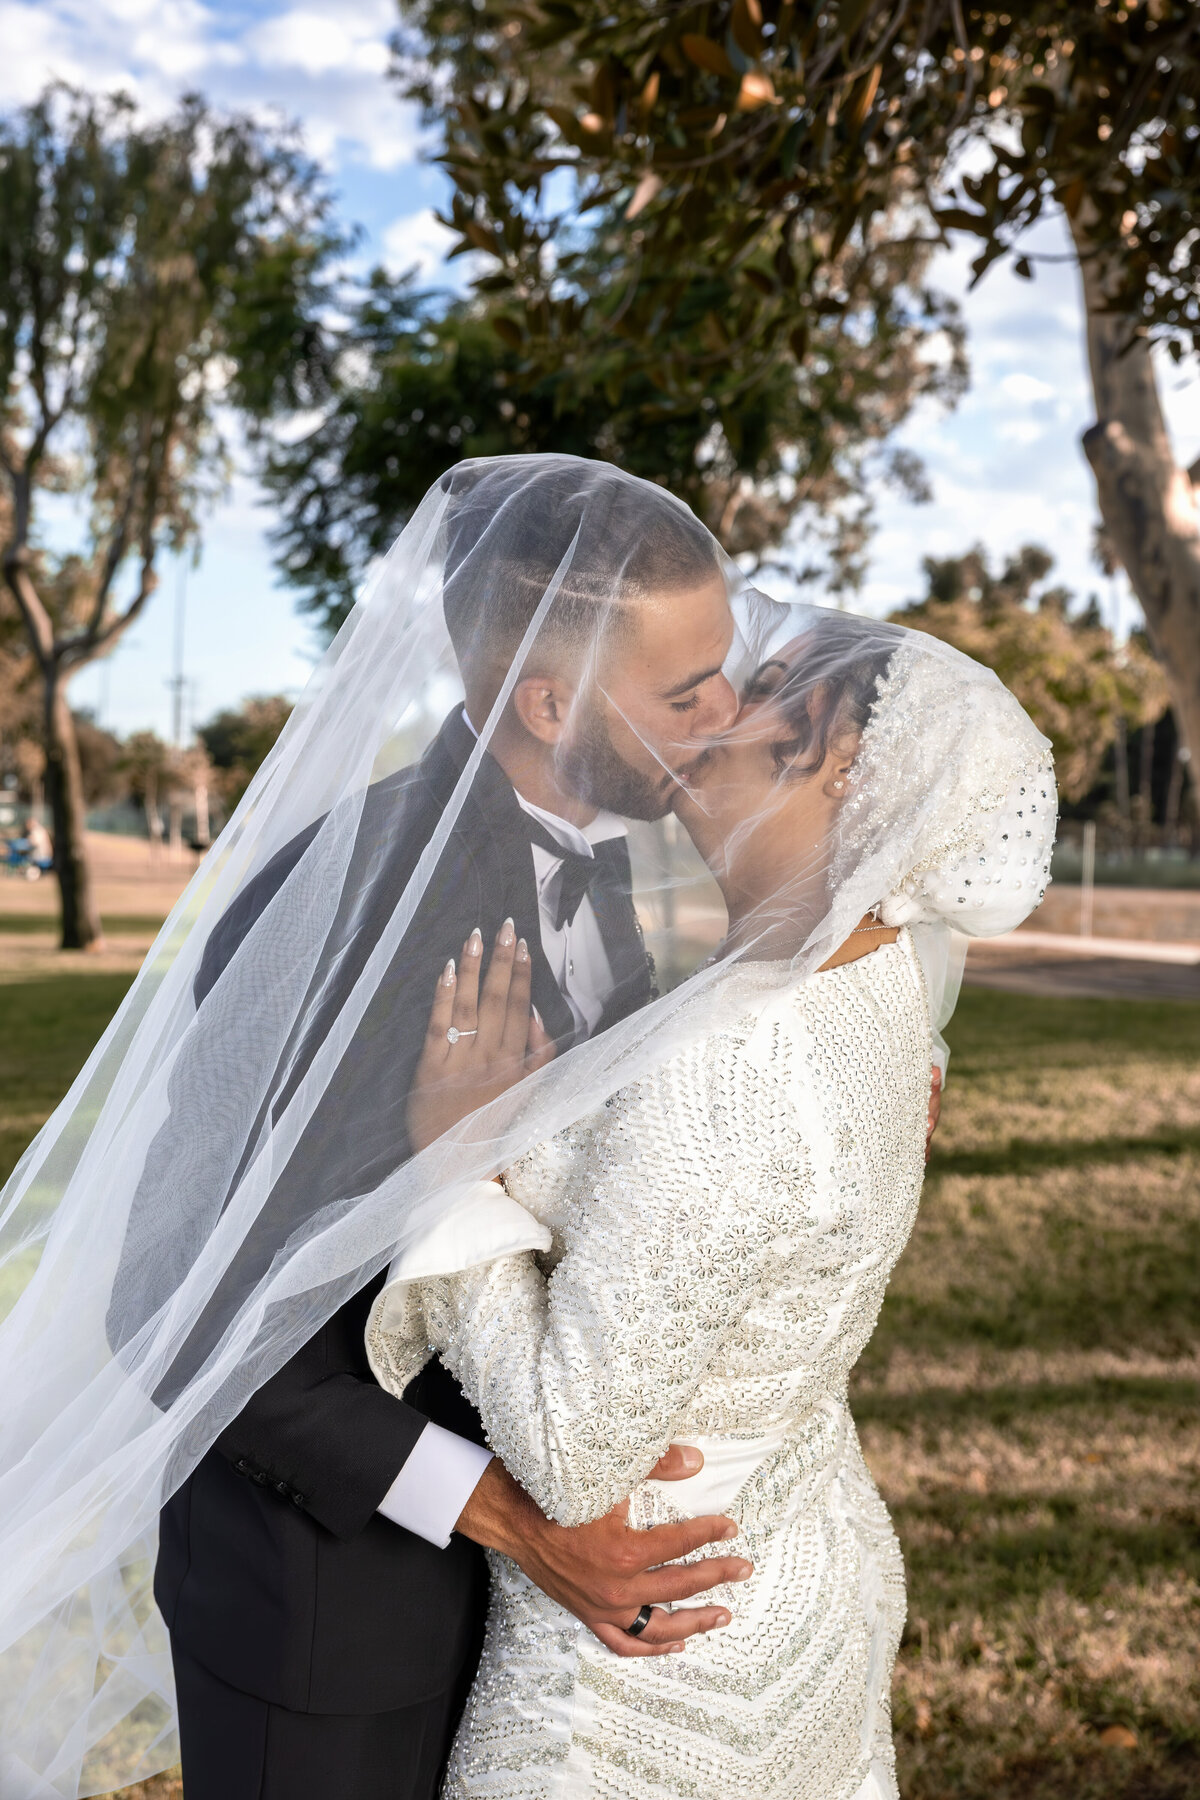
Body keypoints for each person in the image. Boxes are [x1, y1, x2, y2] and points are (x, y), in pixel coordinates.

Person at [0, 456, 944, 1800]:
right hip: (334, 1626)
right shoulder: (351, 913)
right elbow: (178, 1301)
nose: (732, 713)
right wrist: (509, 1517)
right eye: (687, 693)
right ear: (550, 700)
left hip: (532, 1626)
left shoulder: (606, 860)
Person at [366, 612, 1056, 1800]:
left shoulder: (734, 1056)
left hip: (638, 1672)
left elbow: (575, 1457)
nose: (721, 695)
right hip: (787, 1583)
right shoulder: (881, 992)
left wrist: (455, 1173)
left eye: (771, 686)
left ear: (843, 765)